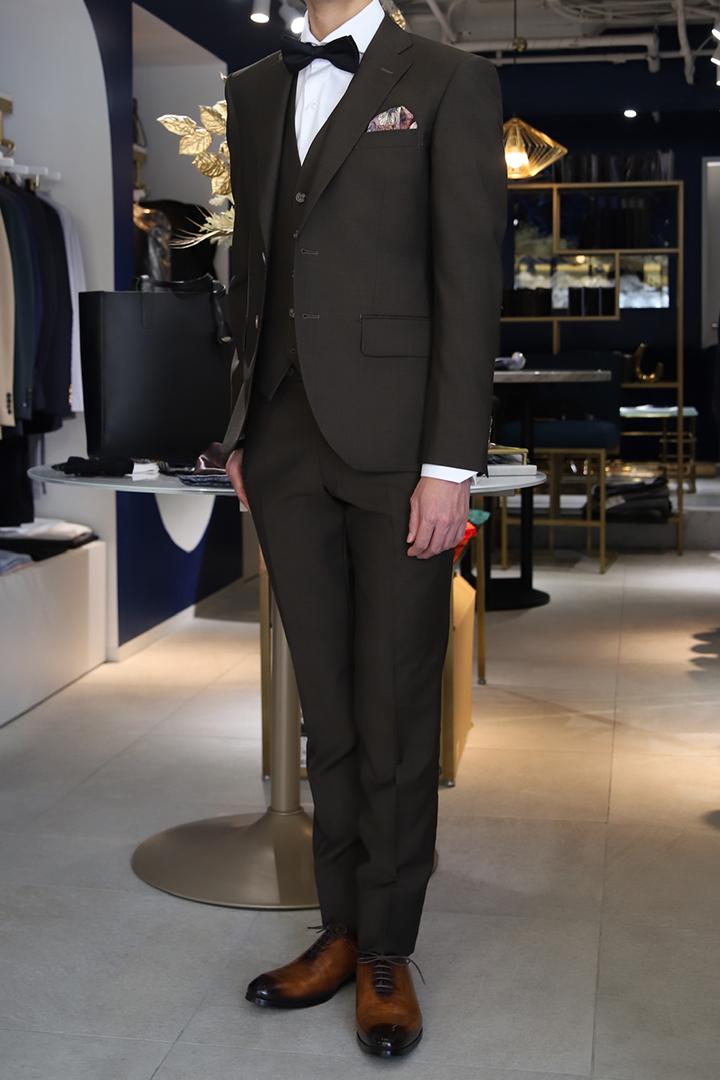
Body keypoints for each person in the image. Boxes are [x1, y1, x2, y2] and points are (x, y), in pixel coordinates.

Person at [222, 0, 506, 1057]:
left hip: (399, 451)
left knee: (394, 705)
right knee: (330, 712)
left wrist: (450, 465)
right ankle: (338, 929)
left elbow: (468, 280)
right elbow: (252, 266)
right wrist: (240, 428)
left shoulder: (447, 79)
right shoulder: (255, 88)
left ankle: (387, 949)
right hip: (284, 441)